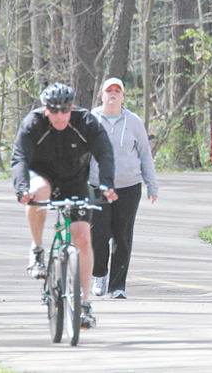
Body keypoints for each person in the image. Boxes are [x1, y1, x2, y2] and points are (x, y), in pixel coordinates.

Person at [11, 82, 118, 328]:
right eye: (54, 109)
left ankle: (83, 304)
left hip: (75, 181)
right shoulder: (33, 123)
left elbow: (104, 152)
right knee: (39, 191)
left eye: (65, 109)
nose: (60, 115)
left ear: (72, 107)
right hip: (42, 176)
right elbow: (19, 157)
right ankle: (37, 249)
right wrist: (21, 189)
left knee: (82, 236)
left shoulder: (86, 122)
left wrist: (107, 184)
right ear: (45, 108)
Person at [89, 78, 159, 299]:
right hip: (97, 186)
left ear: (123, 97)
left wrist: (151, 184)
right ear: (102, 96)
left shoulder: (134, 122)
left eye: (117, 91)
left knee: (122, 236)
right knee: (97, 233)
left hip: (129, 187)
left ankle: (117, 286)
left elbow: (144, 153)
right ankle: (99, 274)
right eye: (108, 90)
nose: (112, 94)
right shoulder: (91, 120)